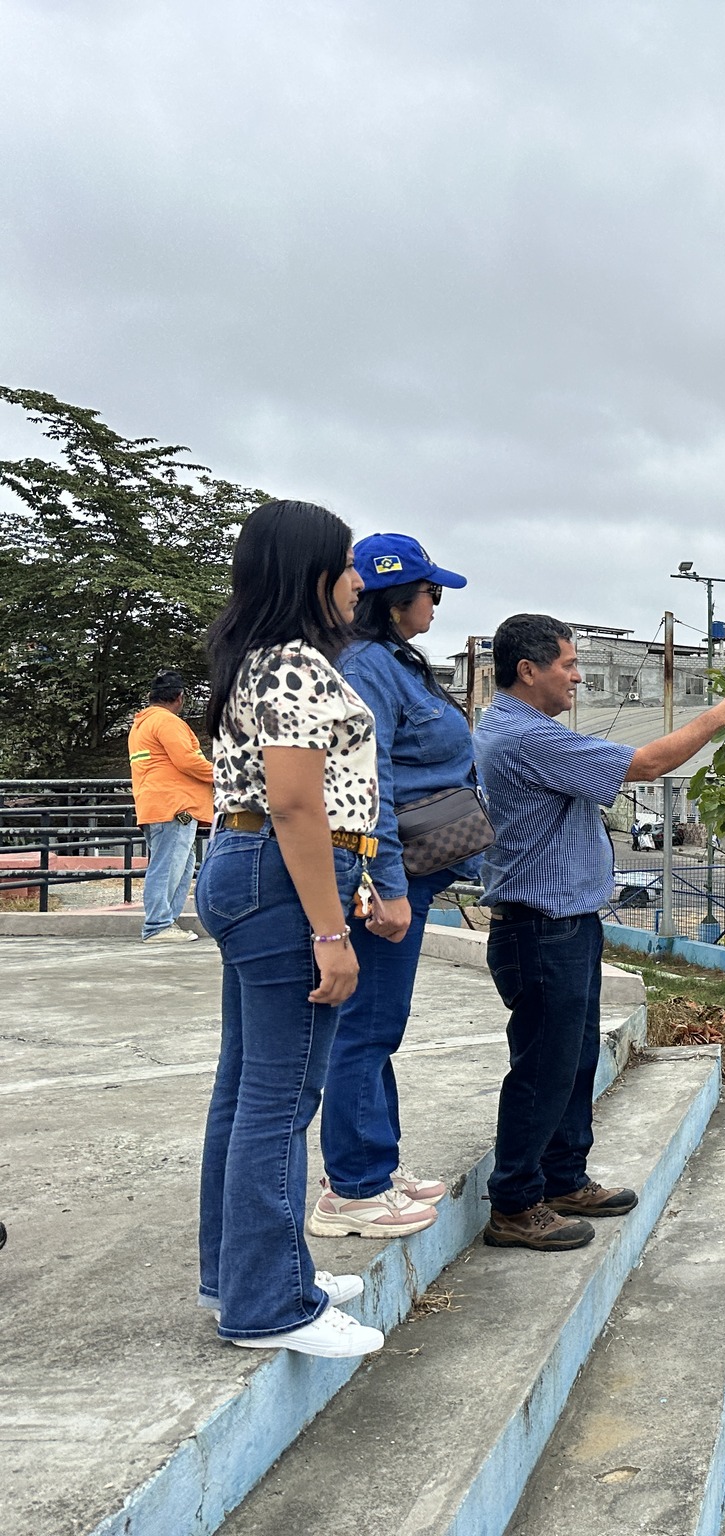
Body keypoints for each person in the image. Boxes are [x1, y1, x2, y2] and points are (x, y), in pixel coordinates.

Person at [473, 613, 725, 1251]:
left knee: (573, 1059)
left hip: (563, 925)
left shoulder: (524, 729)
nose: (577, 676)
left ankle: (562, 1178)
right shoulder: (525, 735)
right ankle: (515, 1203)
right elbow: (648, 764)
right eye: (569, 664)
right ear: (528, 670)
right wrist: (717, 717)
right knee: (543, 1067)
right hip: (540, 930)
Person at [194, 499, 384, 1359]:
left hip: (253, 868)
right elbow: (298, 803)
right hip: (285, 876)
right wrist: (329, 934)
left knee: (245, 1090)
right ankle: (270, 1305)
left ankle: (240, 1274)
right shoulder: (297, 664)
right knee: (280, 1098)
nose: (357, 581)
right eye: (346, 565)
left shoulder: (257, 658)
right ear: (312, 574)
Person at [310, 534, 477, 1240]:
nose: (435, 605)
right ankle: (354, 1187)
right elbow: (363, 781)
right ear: (396, 599)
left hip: (411, 866)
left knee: (379, 1022)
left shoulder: (393, 660)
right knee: (370, 1025)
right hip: (389, 869)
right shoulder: (368, 665)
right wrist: (386, 884)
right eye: (431, 593)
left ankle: (373, 1163)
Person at [127, 671, 213, 942]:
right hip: (176, 807)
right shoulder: (167, 722)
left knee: (180, 866)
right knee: (168, 867)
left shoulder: (143, 723)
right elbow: (188, 761)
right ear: (179, 697)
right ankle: (158, 925)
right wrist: (225, 773)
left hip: (160, 806)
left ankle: (166, 923)